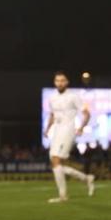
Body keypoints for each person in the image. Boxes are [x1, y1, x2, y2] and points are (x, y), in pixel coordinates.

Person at [43, 70, 96, 203]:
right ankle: (86, 179)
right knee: (55, 163)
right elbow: (52, 115)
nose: (60, 83)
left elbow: (87, 114)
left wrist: (82, 127)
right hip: (57, 130)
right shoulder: (52, 97)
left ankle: (63, 196)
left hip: (68, 130)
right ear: (54, 82)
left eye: (62, 80)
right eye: (57, 81)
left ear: (67, 82)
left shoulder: (73, 96)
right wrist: (47, 128)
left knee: (56, 161)